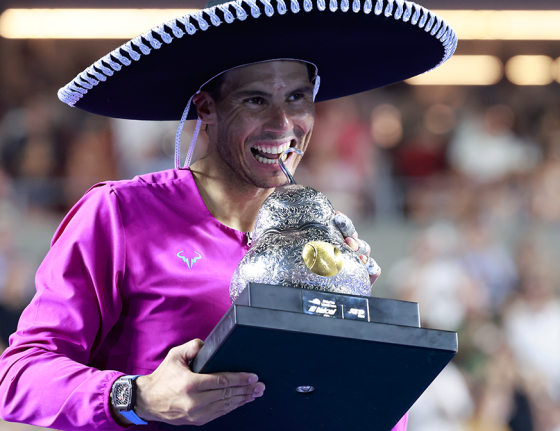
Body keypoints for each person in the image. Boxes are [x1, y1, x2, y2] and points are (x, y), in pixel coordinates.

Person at [0, 0, 458, 429]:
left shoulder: (326, 237)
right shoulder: (120, 213)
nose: (283, 125)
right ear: (206, 108)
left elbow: (357, 405)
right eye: (256, 100)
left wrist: (351, 316)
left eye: (297, 98)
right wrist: (136, 396)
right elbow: (18, 377)